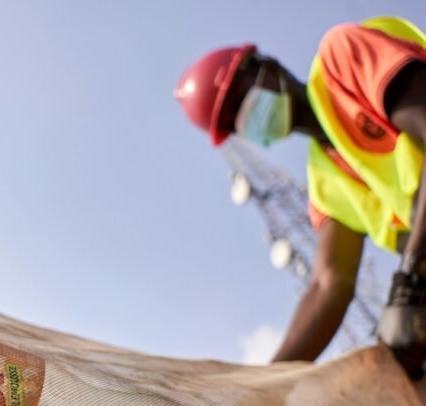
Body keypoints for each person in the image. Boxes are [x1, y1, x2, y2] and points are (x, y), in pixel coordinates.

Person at [175, 17, 426, 377]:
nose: (245, 118)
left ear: (267, 67)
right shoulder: (325, 180)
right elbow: (328, 285)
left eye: (240, 101)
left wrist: (411, 282)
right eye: (235, 123)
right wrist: (263, 387)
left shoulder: (342, 59)